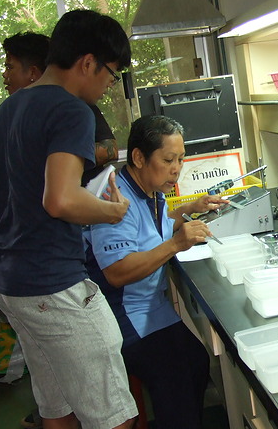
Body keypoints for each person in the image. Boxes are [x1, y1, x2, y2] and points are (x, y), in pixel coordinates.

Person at [0, 9, 138, 429]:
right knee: (114, 417)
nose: (108, 86)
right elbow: (60, 200)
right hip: (53, 284)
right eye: (111, 74)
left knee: (57, 408)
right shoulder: (71, 110)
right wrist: (111, 211)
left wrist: (24, 210)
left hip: (11, 286)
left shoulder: (3, 113)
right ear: (88, 62)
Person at [85, 115, 228, 429]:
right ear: (139, 157)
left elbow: (153, 227)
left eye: (181, 159)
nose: (176, 169)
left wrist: (189, 209)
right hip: (124, 317)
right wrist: (176, 244)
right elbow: (117, 273)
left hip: (152, 305)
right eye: (168, 160)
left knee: (196, 362)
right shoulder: (115, 199)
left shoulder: (150, 189)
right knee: (176, 378)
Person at [2, 31, 118, 189]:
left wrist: (63, 157)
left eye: (9, 67)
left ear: (33, 72)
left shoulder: (75, 107)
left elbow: (111, 149)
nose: (4, 75)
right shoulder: (2, 118)